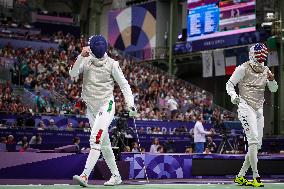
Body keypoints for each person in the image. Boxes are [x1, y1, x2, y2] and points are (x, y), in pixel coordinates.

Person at [70, 35, 137, 187]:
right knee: (105, 145)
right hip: (91, 109)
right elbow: (73, 74)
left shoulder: (112, 64)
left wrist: (130, 104)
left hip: (106, 107)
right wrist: (80, 57)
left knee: (96, 139)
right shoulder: (85, 61)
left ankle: (85, 175)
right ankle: (116, 176)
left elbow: (124, 85)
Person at [226, 43, 278, 187]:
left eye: (262, 58)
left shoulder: (266, 70)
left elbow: (274, 89)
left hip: (259, 109)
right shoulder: (242, 68)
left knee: (257, 145)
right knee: (253, 141)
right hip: (245, 106)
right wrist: (233, 96)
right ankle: (256, 176)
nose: (260, 60)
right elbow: (229, 84)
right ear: (252, 55)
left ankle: (240, 176)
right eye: (258, 57)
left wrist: (272, 79)